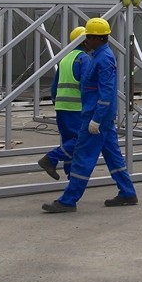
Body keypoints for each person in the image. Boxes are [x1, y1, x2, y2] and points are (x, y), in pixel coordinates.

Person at [42, 17, 138, 213]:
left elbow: (107, 92)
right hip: (97, 116)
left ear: (96, 38)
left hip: (96, 118)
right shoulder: (97, 55)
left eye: (88, 37)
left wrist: (96, 119)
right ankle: (127, 192)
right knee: (113, 156)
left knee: (82, 157)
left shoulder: (103, 58)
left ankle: (68, 200)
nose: (85, 41)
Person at [38, 25, 87, 179]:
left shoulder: (65, 58)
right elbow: (87, 86)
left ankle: (71, 173)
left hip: (62, 106)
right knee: (80, 141)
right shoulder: (83, 59)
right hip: (76, 108)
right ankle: (50, 158)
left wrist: (56, 101)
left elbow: (55, 85)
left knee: (69, 140)